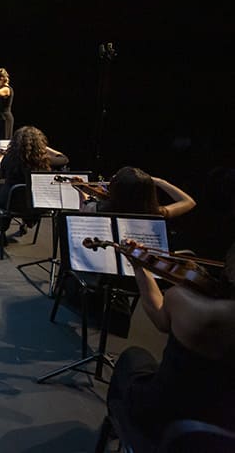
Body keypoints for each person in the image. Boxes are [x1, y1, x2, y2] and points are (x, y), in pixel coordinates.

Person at [105, 241, 235, 440]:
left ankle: (123, 427)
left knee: (133, 357)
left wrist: (139, 266)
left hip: (166, 419)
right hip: (223, 429)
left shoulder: (189, 304)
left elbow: (160, 318)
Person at [0, 126, 67, 237]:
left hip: (11, 204)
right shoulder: (46, 161)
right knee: (28, 197)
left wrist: (0, 161)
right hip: (38, 206)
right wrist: (45, 148)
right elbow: (64, 158)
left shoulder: (9, 158)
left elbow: (3, 173)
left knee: (0, 200)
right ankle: (27, 222)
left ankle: (2, 230)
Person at [86, 166, 196, 219]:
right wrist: (160, 182)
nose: (113, 177)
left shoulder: (98, 209)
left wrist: (82, 189)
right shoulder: (156, 213)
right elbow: (188, 201)